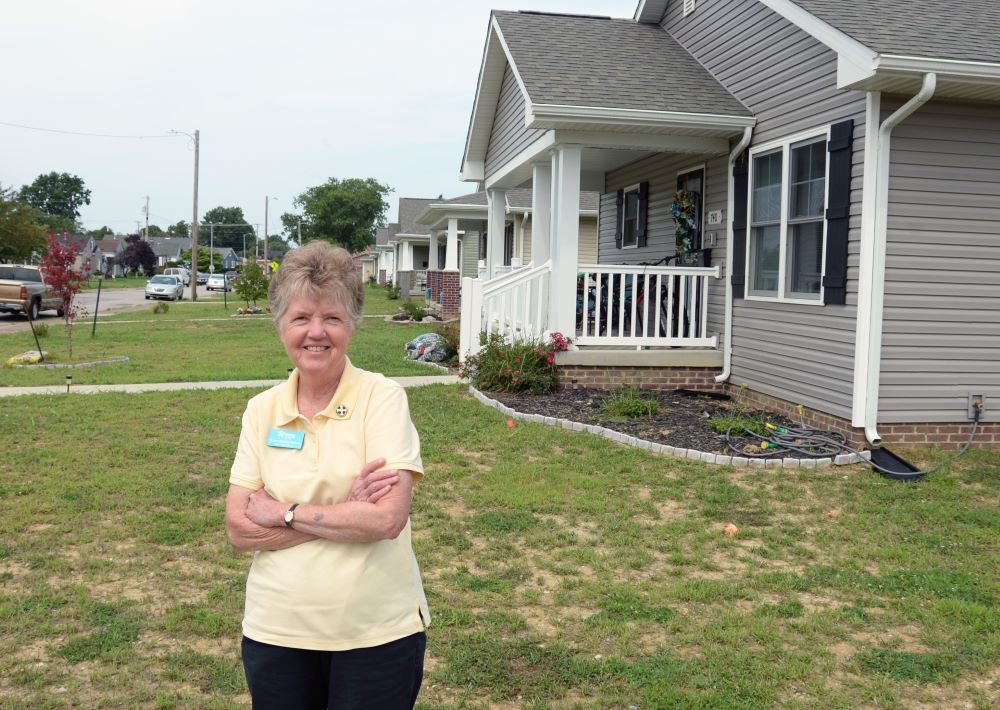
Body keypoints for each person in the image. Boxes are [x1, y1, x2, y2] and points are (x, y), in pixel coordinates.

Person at [225, 241, 429, 709]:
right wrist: (343, 513)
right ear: (280, 326)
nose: (316, 333)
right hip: (276, 631)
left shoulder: (382, 398)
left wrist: (282, 513)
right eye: (301, 318)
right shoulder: (262, 411)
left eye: (332, 318)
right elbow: (239, 529)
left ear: (352, 326)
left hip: (375, 633)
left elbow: (385, 520)